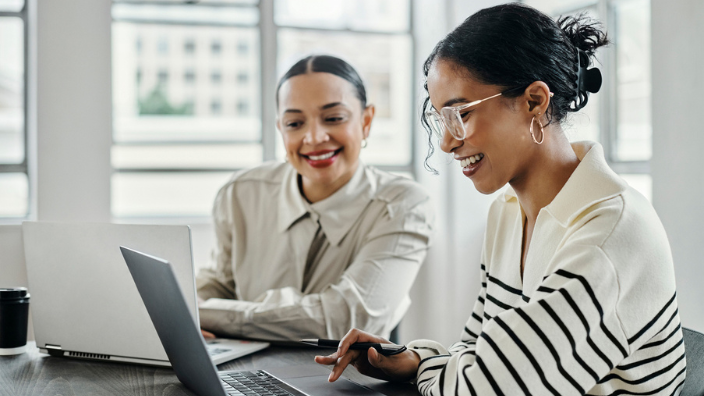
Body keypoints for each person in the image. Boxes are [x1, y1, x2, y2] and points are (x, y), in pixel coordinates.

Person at [316, 4, 686, 395]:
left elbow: (489, 387)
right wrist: (416, 358)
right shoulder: (507, 215)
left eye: (460, 114)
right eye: (440, 118)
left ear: (534, 101)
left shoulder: (610, 233)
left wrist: (428, 365)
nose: (446, 142)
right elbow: (476, 350)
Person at [195, 55, 434, 341]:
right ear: (280, 129)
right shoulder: (241, 193)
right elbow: (218, 285)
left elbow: (348, 321)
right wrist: (186, 310)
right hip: (246, 372)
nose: (314, 137)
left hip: (348, 381)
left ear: (366, 121)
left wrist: (208, 314)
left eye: (333, 118)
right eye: (294, 123)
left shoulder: (403, 205)